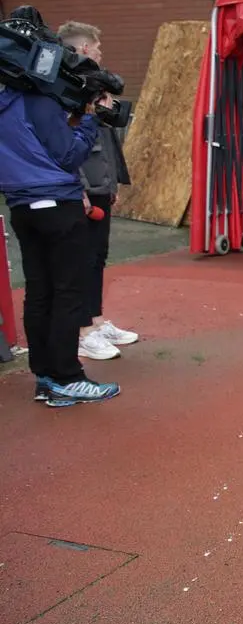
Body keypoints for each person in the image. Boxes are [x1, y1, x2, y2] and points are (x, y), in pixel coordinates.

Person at [0, 81, 120, 406]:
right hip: (55, 202)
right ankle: (68, 377)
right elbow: (69, 154)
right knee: (68, 291)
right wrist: (91, 119)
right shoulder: (36, 99)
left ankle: (47, 378)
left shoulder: (6, 101)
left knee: (39, 292)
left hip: (20, 204)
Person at [56, 21, 140, 361]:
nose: (101, 53)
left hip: (101, 181)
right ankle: (82, 331)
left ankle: (96, 320)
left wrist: (114, 180)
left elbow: (106, 138)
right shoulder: (62, 90)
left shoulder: (94, 88)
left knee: (98, 257)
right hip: (81, 187)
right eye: (97, 47)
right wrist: (80, 189)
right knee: (81, 259)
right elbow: (64, 146)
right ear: (83, 49)